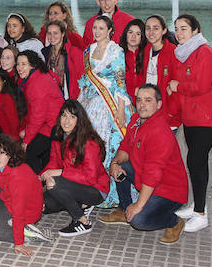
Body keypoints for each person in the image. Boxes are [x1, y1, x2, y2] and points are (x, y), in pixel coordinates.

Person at [99, 84, 189, 245]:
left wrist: (138, 205)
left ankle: (174, 222)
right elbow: (125, 148)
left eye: (148, 100)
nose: (142, 104)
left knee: (139, 220)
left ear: (159, 104)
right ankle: (123, 208)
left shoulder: (159, 132)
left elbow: (153, 174)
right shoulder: (136, 120)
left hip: (169, 191)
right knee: (121, 168)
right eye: (139, 100)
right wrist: (115, 163)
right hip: (146, 178)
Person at [167, 14, 212, 232]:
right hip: (190, 117)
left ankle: (200, 214)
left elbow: (201, 85)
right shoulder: (184, 53)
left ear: (196, 30)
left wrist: (177, 86)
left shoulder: (205, 53)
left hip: (206, 119)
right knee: (194, 163)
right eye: (177, 29)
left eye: (184, 29)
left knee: (197, 163)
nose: (179, 33)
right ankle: (195, 205)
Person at [76, 15, 131, 206]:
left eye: (101, 28)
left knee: (110, 145)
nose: (97, 32)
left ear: (110, 30)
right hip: (90, 103)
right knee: (90, 146)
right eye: (95, 28)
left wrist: (121, 110)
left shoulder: (116, 51)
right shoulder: (87, 51)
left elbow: (120, 82)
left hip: (110, 105)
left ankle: (114, 194)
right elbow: (85, 78)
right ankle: (92, 187)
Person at [0, 134, 50, 256]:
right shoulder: (1, 167)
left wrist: (18, 243)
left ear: (10, 154)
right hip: (9, 200)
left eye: (1, 153)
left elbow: (18, 211)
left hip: (26, 211)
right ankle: (4, 218)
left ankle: (27, 233)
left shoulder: (18, 177)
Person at [40, 100, 109, 237]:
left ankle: (82, 221)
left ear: (79, 120)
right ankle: (82, 204)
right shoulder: (58, 135)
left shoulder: (88, 142)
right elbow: (54, 161)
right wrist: (41, 175)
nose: (66, 121)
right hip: (73, 184)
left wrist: (61, 173)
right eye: (64, 115)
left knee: (54, 184)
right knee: (45, 205)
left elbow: (90, 177)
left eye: (72, 117)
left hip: (96, 189)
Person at [17, 50, 64, 173]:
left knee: (28, 152)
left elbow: (38, 116)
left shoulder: (37, 83)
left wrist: (27, 140)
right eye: (18, 64)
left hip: (52, 126)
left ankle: (37, 183)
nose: (19, 68)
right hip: (50, 124)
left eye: (23, 64)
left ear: (33, 65)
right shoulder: (36, 77)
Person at [143, 15, 181, 128]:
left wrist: (171, 112)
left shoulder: (173, 52)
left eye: (156, 28)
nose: (151, 32)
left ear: (164, 30)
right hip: (148, 111)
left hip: (167, 115)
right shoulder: (145, 50)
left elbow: (177, 85)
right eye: (148, 28)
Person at [41, 20, 85, 100]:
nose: (52, 36)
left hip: (71, 98)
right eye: (49, 33)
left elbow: (82, 78)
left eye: (55, 33)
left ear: (63, 34)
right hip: (52, 97)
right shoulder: (45, 53)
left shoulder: (74, 53)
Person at [119, 19, 148, 101]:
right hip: (123, 100)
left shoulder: (147, 53)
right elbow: (113, 81)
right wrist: (132, 91)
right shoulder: (118, 54)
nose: (133, 36)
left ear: (142, 36)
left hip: (144, 99)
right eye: (130, 32)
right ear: (126, 34)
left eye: (138, 34)